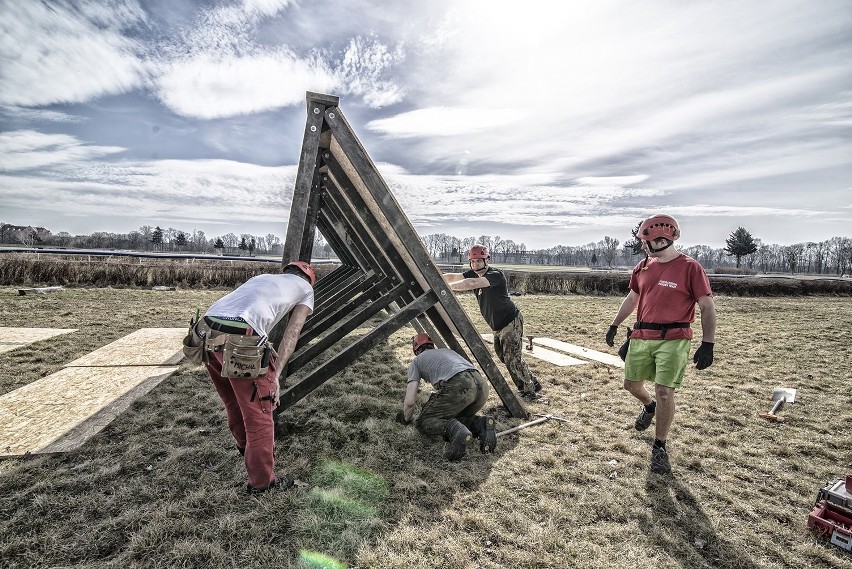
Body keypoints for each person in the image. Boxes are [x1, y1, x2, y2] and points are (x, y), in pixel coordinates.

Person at [605, 214, 716, 474]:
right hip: (642, 336)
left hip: (674, 339)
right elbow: (633, 298)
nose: (643, 246)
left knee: (665, 391)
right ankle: (649, 406)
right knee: (631, 385)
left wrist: (708, 342)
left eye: (646, 241)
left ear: (663, 240)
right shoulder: (643, 267)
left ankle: (659, 446)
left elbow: (706, 305)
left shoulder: (690, 268)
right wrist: (615, 324)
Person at [196, 260, 315, 493]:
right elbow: (292, 335)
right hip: (241, 335)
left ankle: (247, 449)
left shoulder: (261, 278)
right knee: (260, 412)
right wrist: (275, 377)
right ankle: (263, 484)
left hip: (204, 331)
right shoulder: (306, 289)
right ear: (309, 279)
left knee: (233, 401)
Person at [443, 245, 542, 398]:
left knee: (512, 359)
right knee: (505, 357)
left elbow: (472, 284)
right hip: (497, 325)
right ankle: (533, 382)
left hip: (510, 321)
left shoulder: (495, 275)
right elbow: (454, 277)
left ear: (487, 260)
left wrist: (444, 288)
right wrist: (438, 278)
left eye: (478, 261)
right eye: (472, 261)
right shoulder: (473, 273)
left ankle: (529, 391)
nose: (475, 264)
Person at [396, 333, 497, 461]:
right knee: (455, 416)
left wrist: (406, 419)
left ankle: (457, 432)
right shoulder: (446, 351)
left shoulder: (417, 361)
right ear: (431, 345)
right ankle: (481, 424)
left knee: (424, 421)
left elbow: (410, 401)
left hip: (460, 385)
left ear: (416, 350)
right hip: (481, 386)